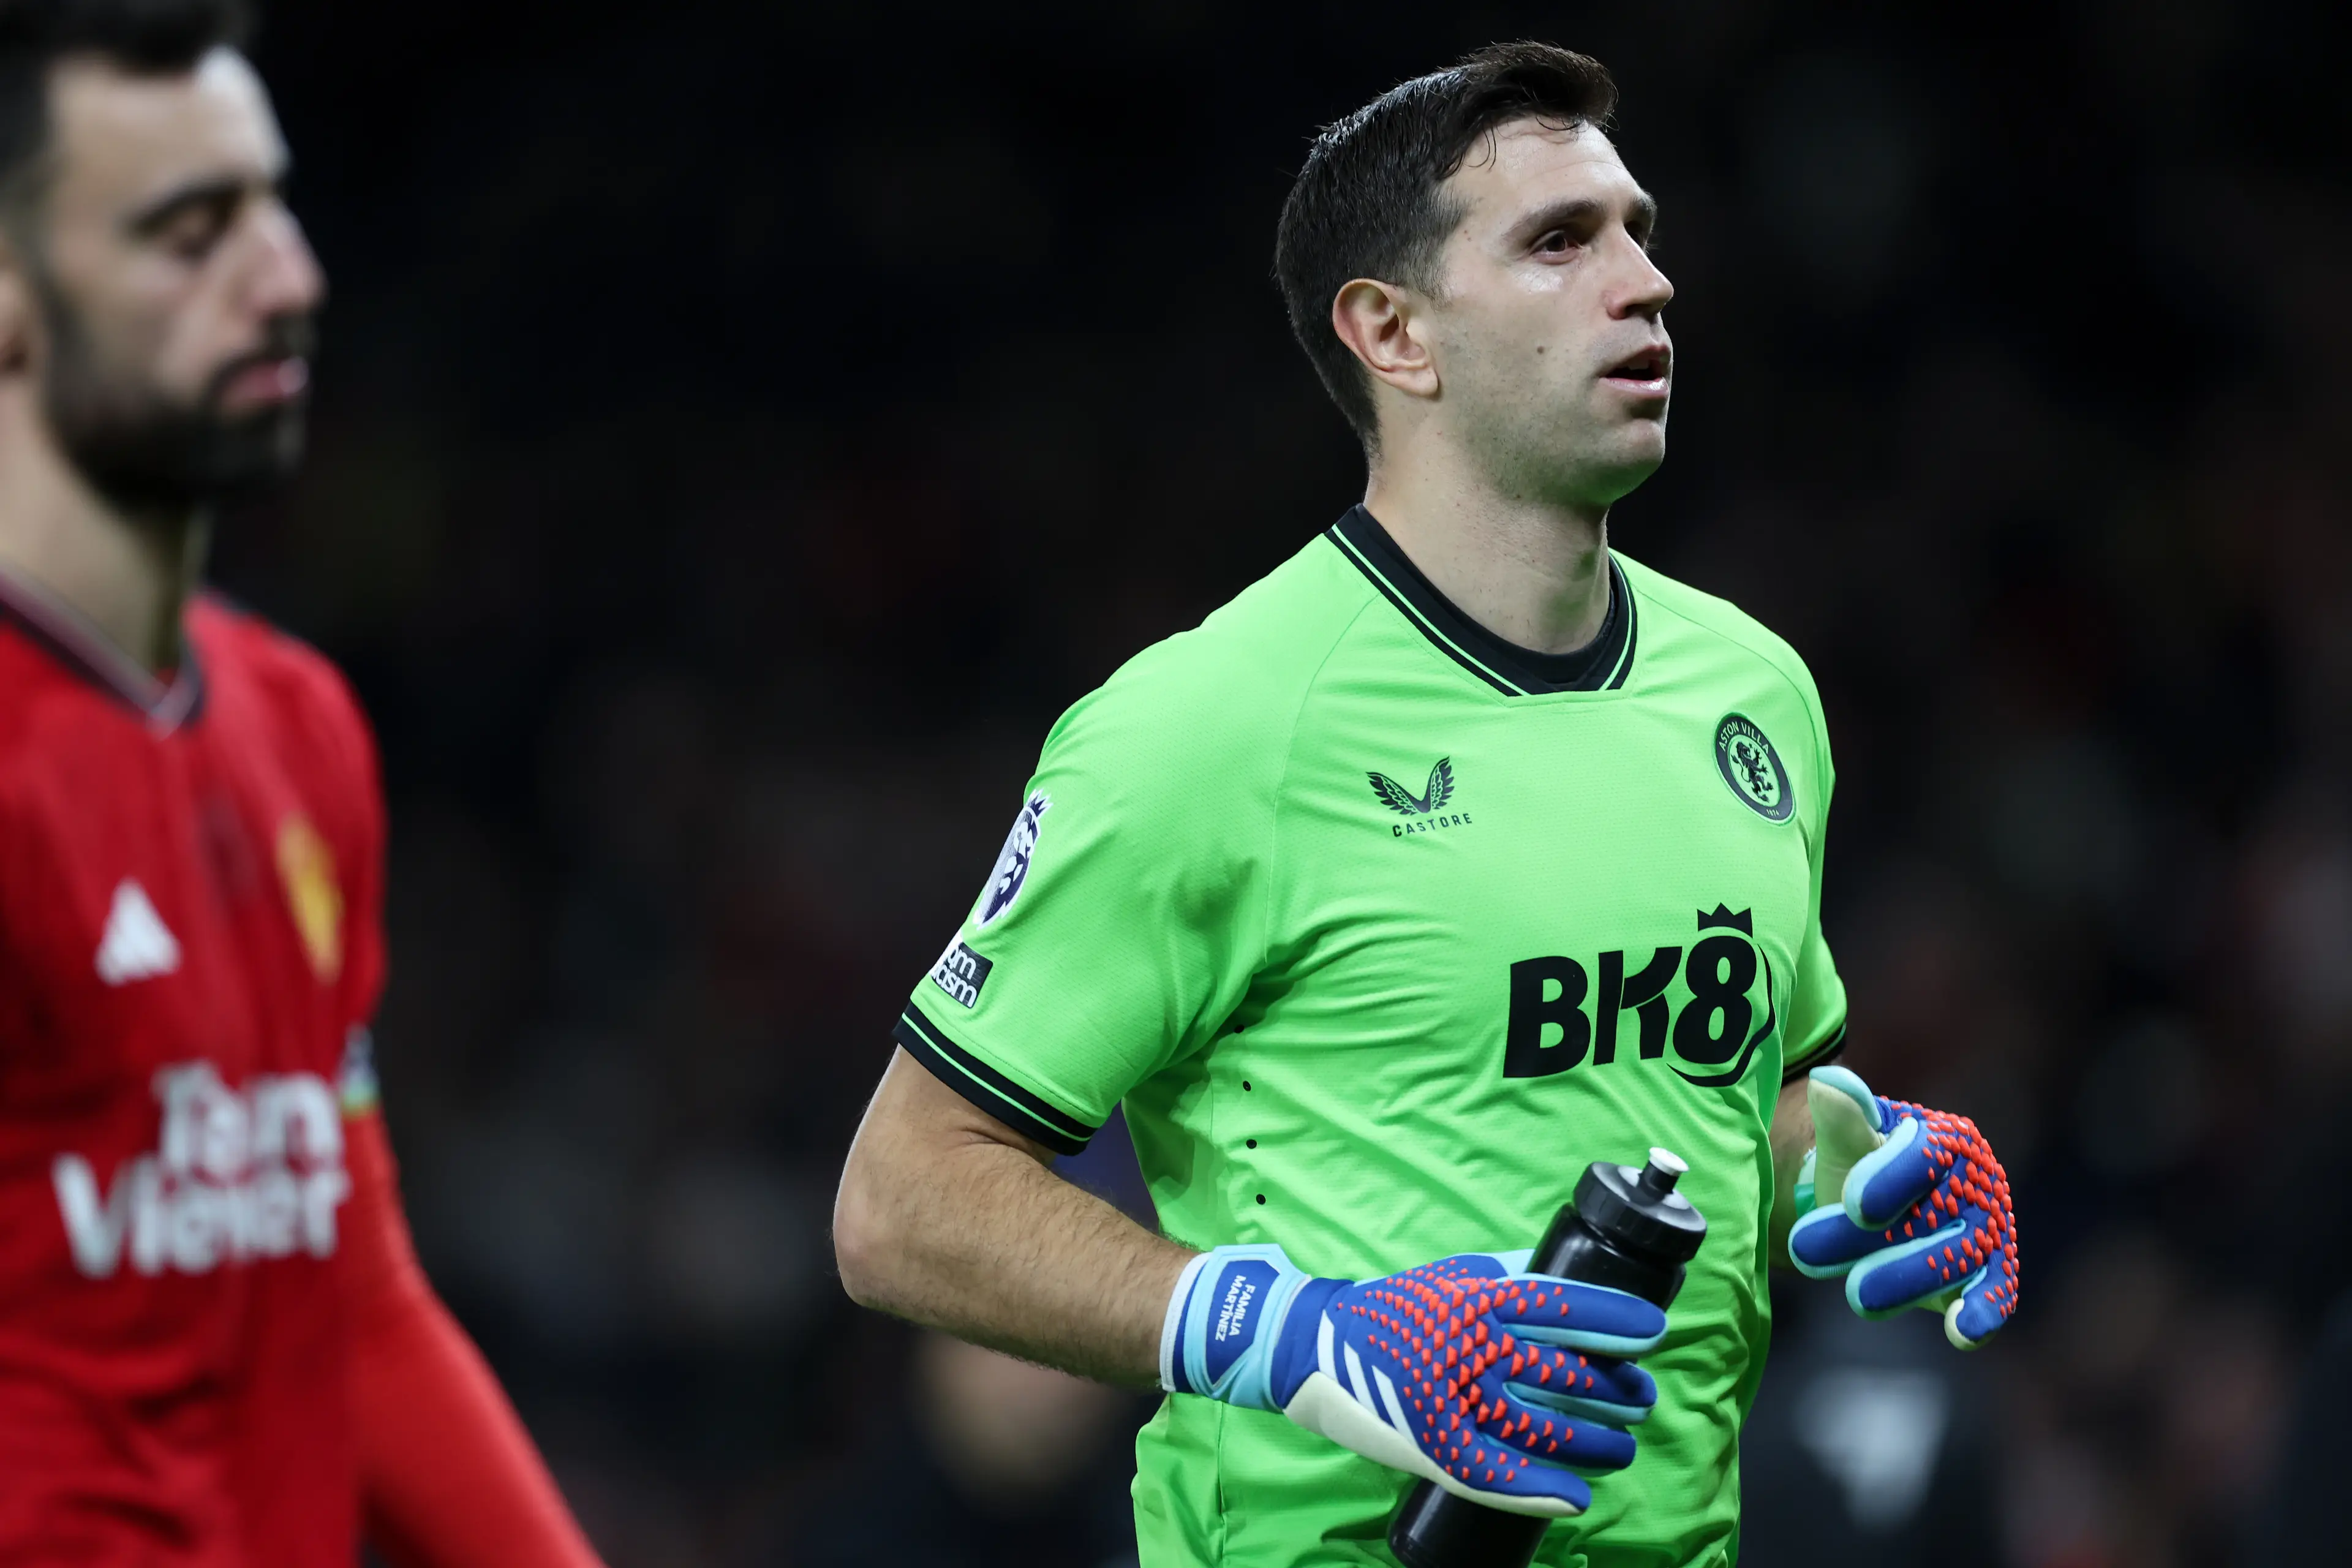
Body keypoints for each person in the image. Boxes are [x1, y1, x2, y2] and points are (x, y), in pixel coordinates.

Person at [833, 40, 2019, 1567]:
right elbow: (901, 1200)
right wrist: (1303, 1337)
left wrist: (1861, 1158)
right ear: (1393, 333)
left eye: (1639, 231)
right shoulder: (1212, 724)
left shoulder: (1755, 692)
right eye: (1560, 242)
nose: (1646, 283)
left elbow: (1734, 1103)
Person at [0, 4, 603, 1565]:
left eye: (272, 207)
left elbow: (352, 1293)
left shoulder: (298, 725)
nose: (288, 278)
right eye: (189, 236)